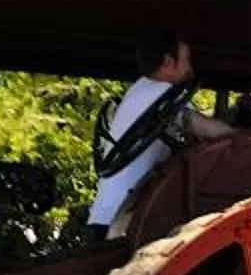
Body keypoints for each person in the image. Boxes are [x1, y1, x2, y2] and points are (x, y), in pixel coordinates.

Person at [87, 29, 234, 231]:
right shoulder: (161, 94)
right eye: (186, 59)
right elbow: (207, 129)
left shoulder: (141, 90)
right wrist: (244, 137)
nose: (190, 67)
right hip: (121, 221)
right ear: (167, 62)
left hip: (110, 215)